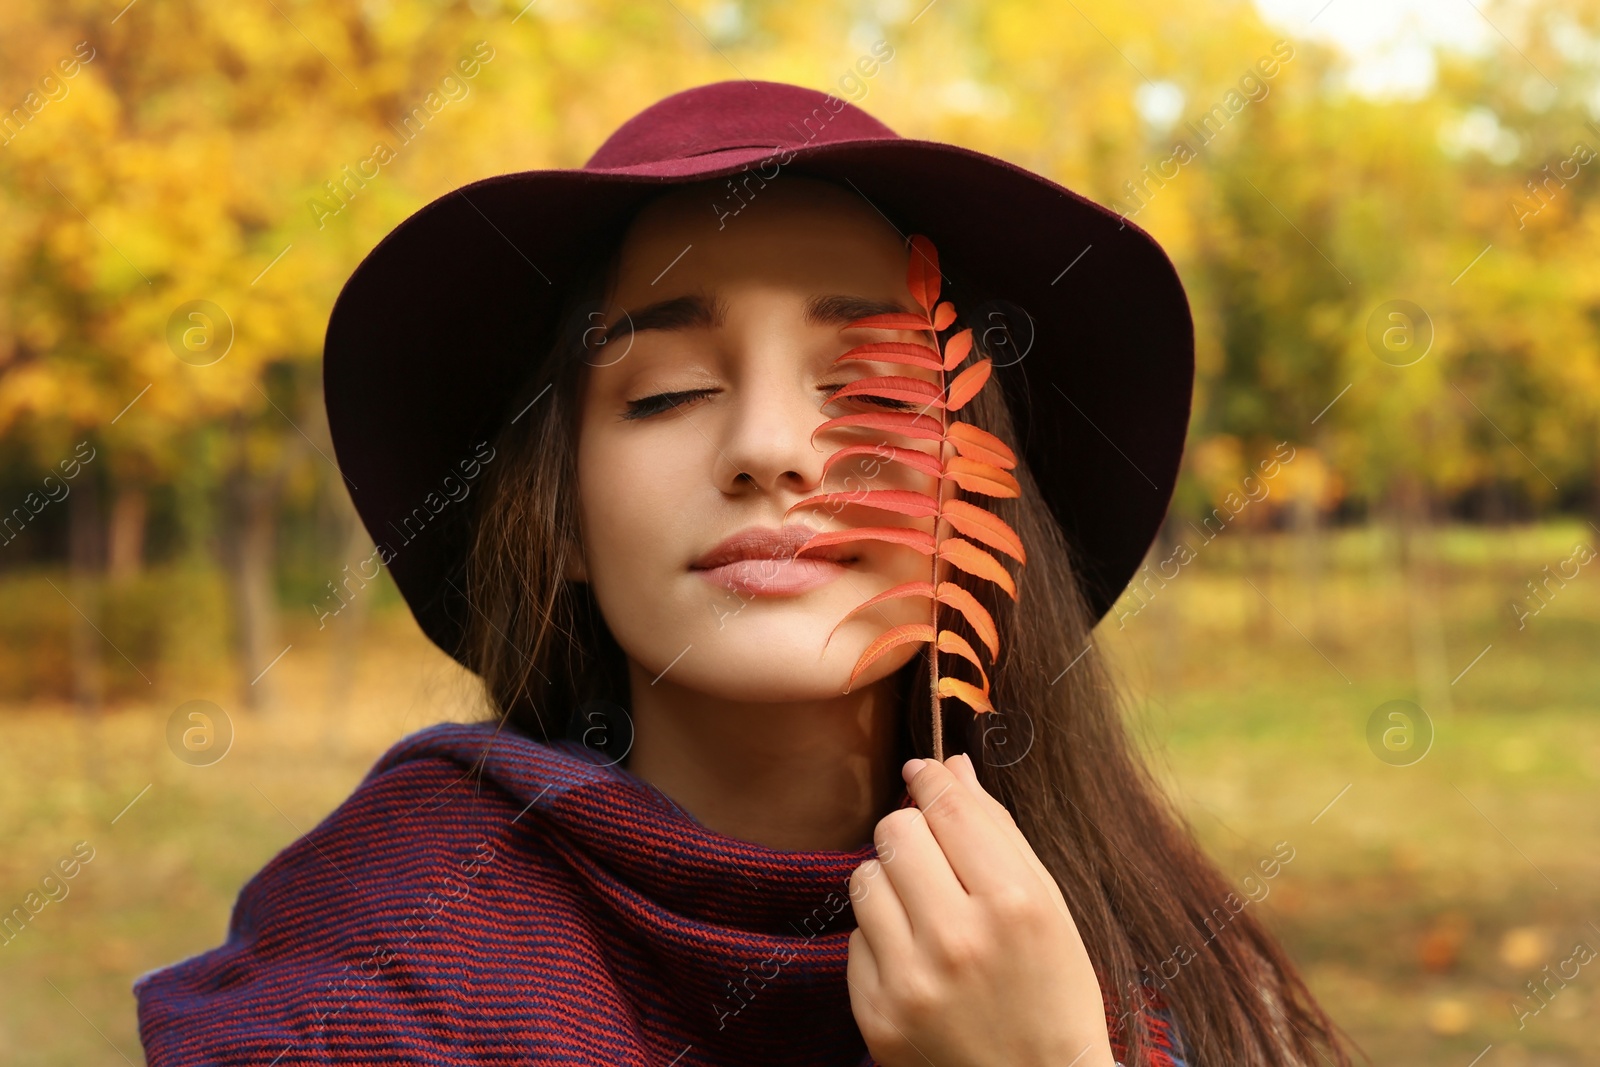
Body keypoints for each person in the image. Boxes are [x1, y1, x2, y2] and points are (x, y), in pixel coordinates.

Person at [135, 80, 1350, 1066]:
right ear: (555, 515)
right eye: (667, 393)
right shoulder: (379, 969)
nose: (771, 449)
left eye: (865, 385)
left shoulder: (1114, 953)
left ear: (974, 490)